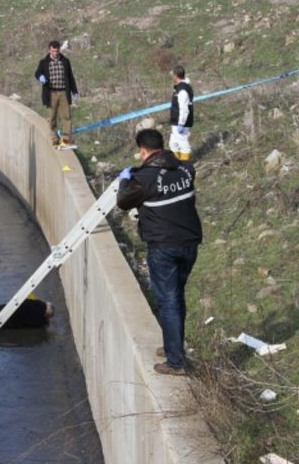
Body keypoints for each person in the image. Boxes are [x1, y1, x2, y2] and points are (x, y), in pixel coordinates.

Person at [116, 129, 202, 375]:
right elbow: (179, 171)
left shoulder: (144, 179)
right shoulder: (186, 170)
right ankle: (172, 346)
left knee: (168, 301)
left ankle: (176, 362)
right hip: (189, 243)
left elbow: (123, 201)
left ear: (143, 150)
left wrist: (126, 178)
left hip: (163, 247)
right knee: (176, 296)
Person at [34, 41, 79, 147]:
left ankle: (67, 138)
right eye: (53, 51)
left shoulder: (65, 61)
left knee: (66, 116)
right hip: (51, 93)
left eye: (57, 51)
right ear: (49, 50)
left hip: (63, 92)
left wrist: (75, 91)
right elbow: (37, 72)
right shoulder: (44, 62)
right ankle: (55, 138)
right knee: (52, 117)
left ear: (59, 50)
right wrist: (40, 77)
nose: (55, 53)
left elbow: (70, 77)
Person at [169, 65, 194, 161]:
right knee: (173, 144)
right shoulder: (180, 87)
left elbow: (184, 108)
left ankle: (185, 166)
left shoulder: (183, 90)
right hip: (176, 120)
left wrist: (181, 123)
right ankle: (177, 164)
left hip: (181, 122)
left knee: (184, 144)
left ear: (176, 76)